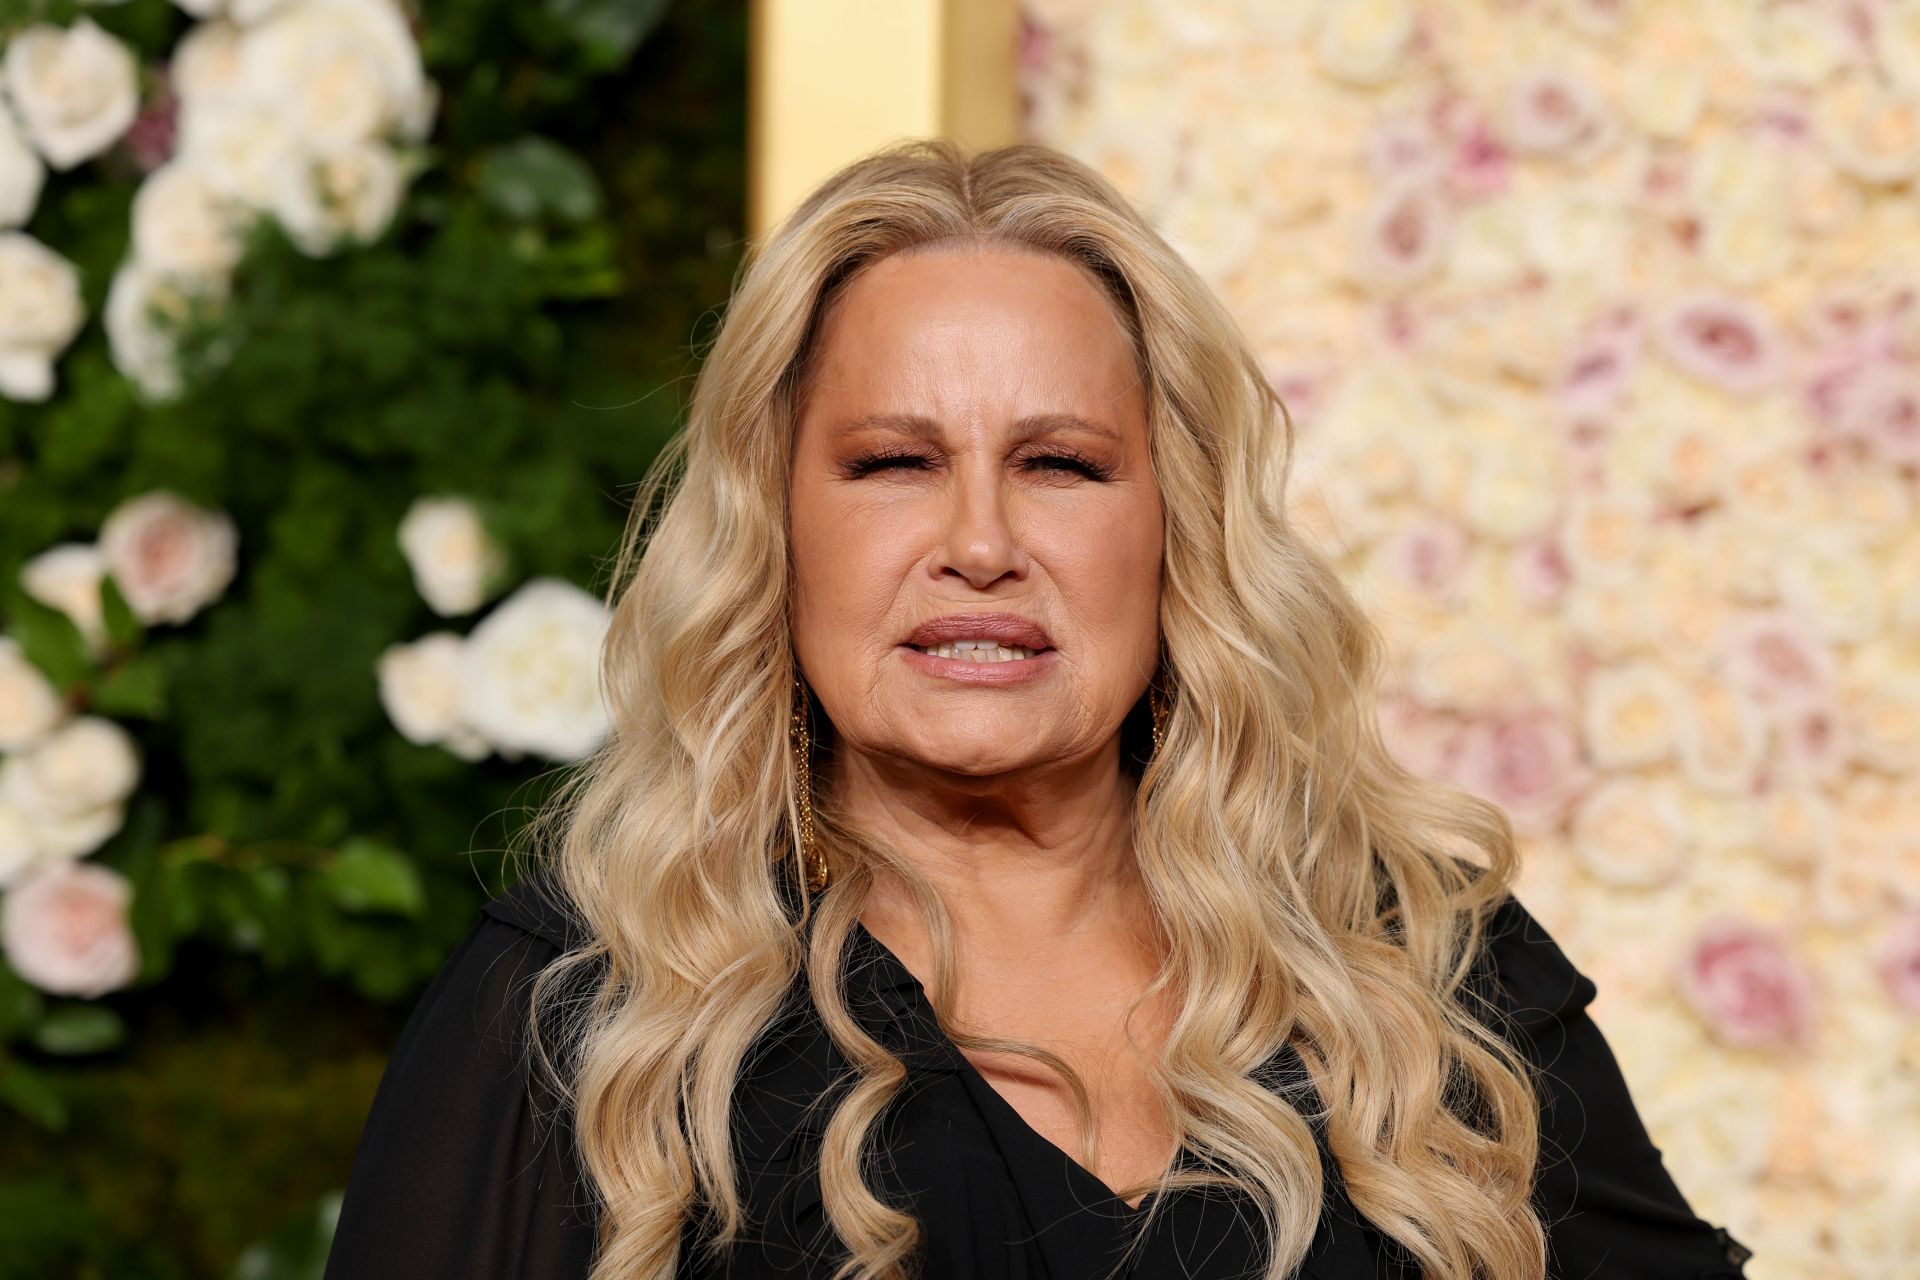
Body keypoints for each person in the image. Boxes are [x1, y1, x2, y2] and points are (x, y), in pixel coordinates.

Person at [323, 138, 1754, 1280]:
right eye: (893, 462)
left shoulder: (1420, 974)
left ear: (1174, 529)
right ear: (777, 528)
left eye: (1062, 464)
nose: (982, 541)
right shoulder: (580, 1019)